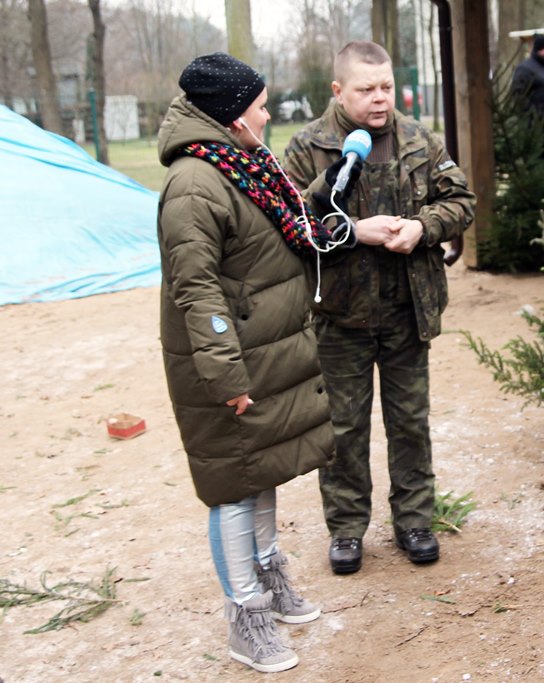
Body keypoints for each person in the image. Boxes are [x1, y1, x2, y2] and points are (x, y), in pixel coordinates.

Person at [157, 52, 335, 674]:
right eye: (258, 103)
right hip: (227, 363)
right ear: (232, 114)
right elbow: (197, 291)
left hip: (262, 354)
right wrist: (226, 376)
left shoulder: (241, 164)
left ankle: (269, 575)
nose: (266, 111)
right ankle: (245, 615)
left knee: (261, 472)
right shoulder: (193, 184)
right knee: (233, 487)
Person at [282, 41, 476, 576]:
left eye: (386, 87)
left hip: (406, 311)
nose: (379, 99)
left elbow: (462, 202)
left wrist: (422, 226)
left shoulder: (419, 139)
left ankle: (415, 521)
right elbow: (288, 223)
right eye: (366, 89)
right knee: (342, 430)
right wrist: (350, 231)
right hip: (339, 317)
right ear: (338, 91)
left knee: (410, 423)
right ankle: (346, 530)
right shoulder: (308, 147)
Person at [510, 33, 544, 159]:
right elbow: (518, 96)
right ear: (541, 48)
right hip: (534, 128)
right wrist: (532, 118)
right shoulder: (525, 69)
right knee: (535, 159)